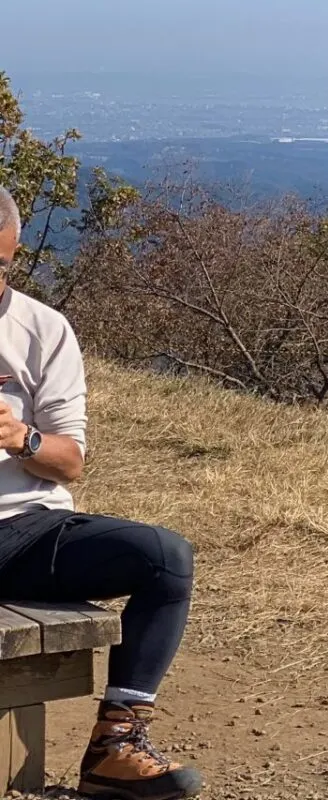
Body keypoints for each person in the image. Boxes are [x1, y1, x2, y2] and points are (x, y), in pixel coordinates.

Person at [0, 187, 202, 799]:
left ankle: (115, 743)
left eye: (0, 266)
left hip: (25, 533)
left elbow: (71, 463)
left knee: (166, 558)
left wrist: (21, 436)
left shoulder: (42, 330)